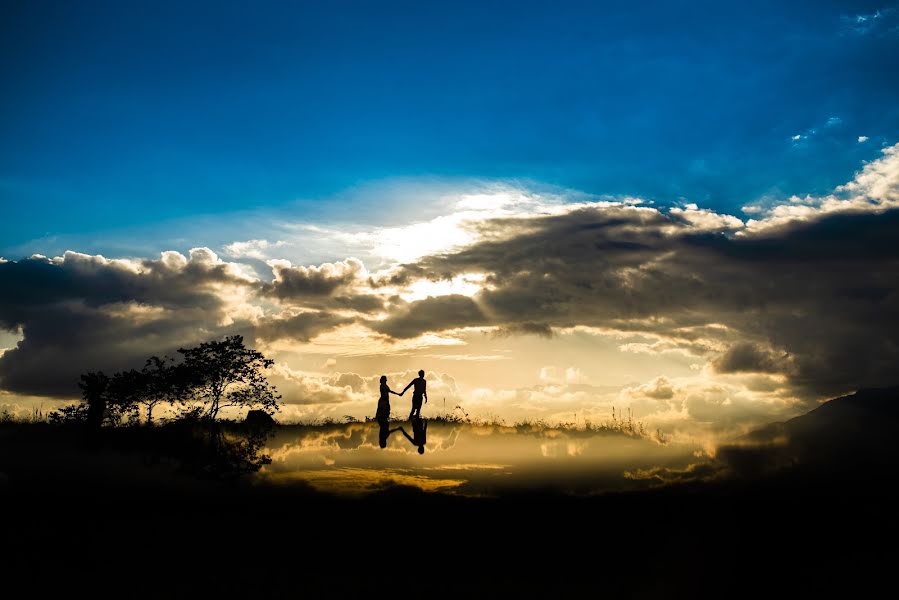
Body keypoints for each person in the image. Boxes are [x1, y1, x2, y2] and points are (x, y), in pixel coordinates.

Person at [376, 375, 402, 448]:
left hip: (384, 402)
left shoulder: (383, 437)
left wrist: (397, 429)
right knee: (383, 417)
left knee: (383, 417)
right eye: (385, 379)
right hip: (384, 402)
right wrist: (398, 394)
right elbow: (389, 391)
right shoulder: (383, 386)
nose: (386, 380)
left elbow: (389, 432)